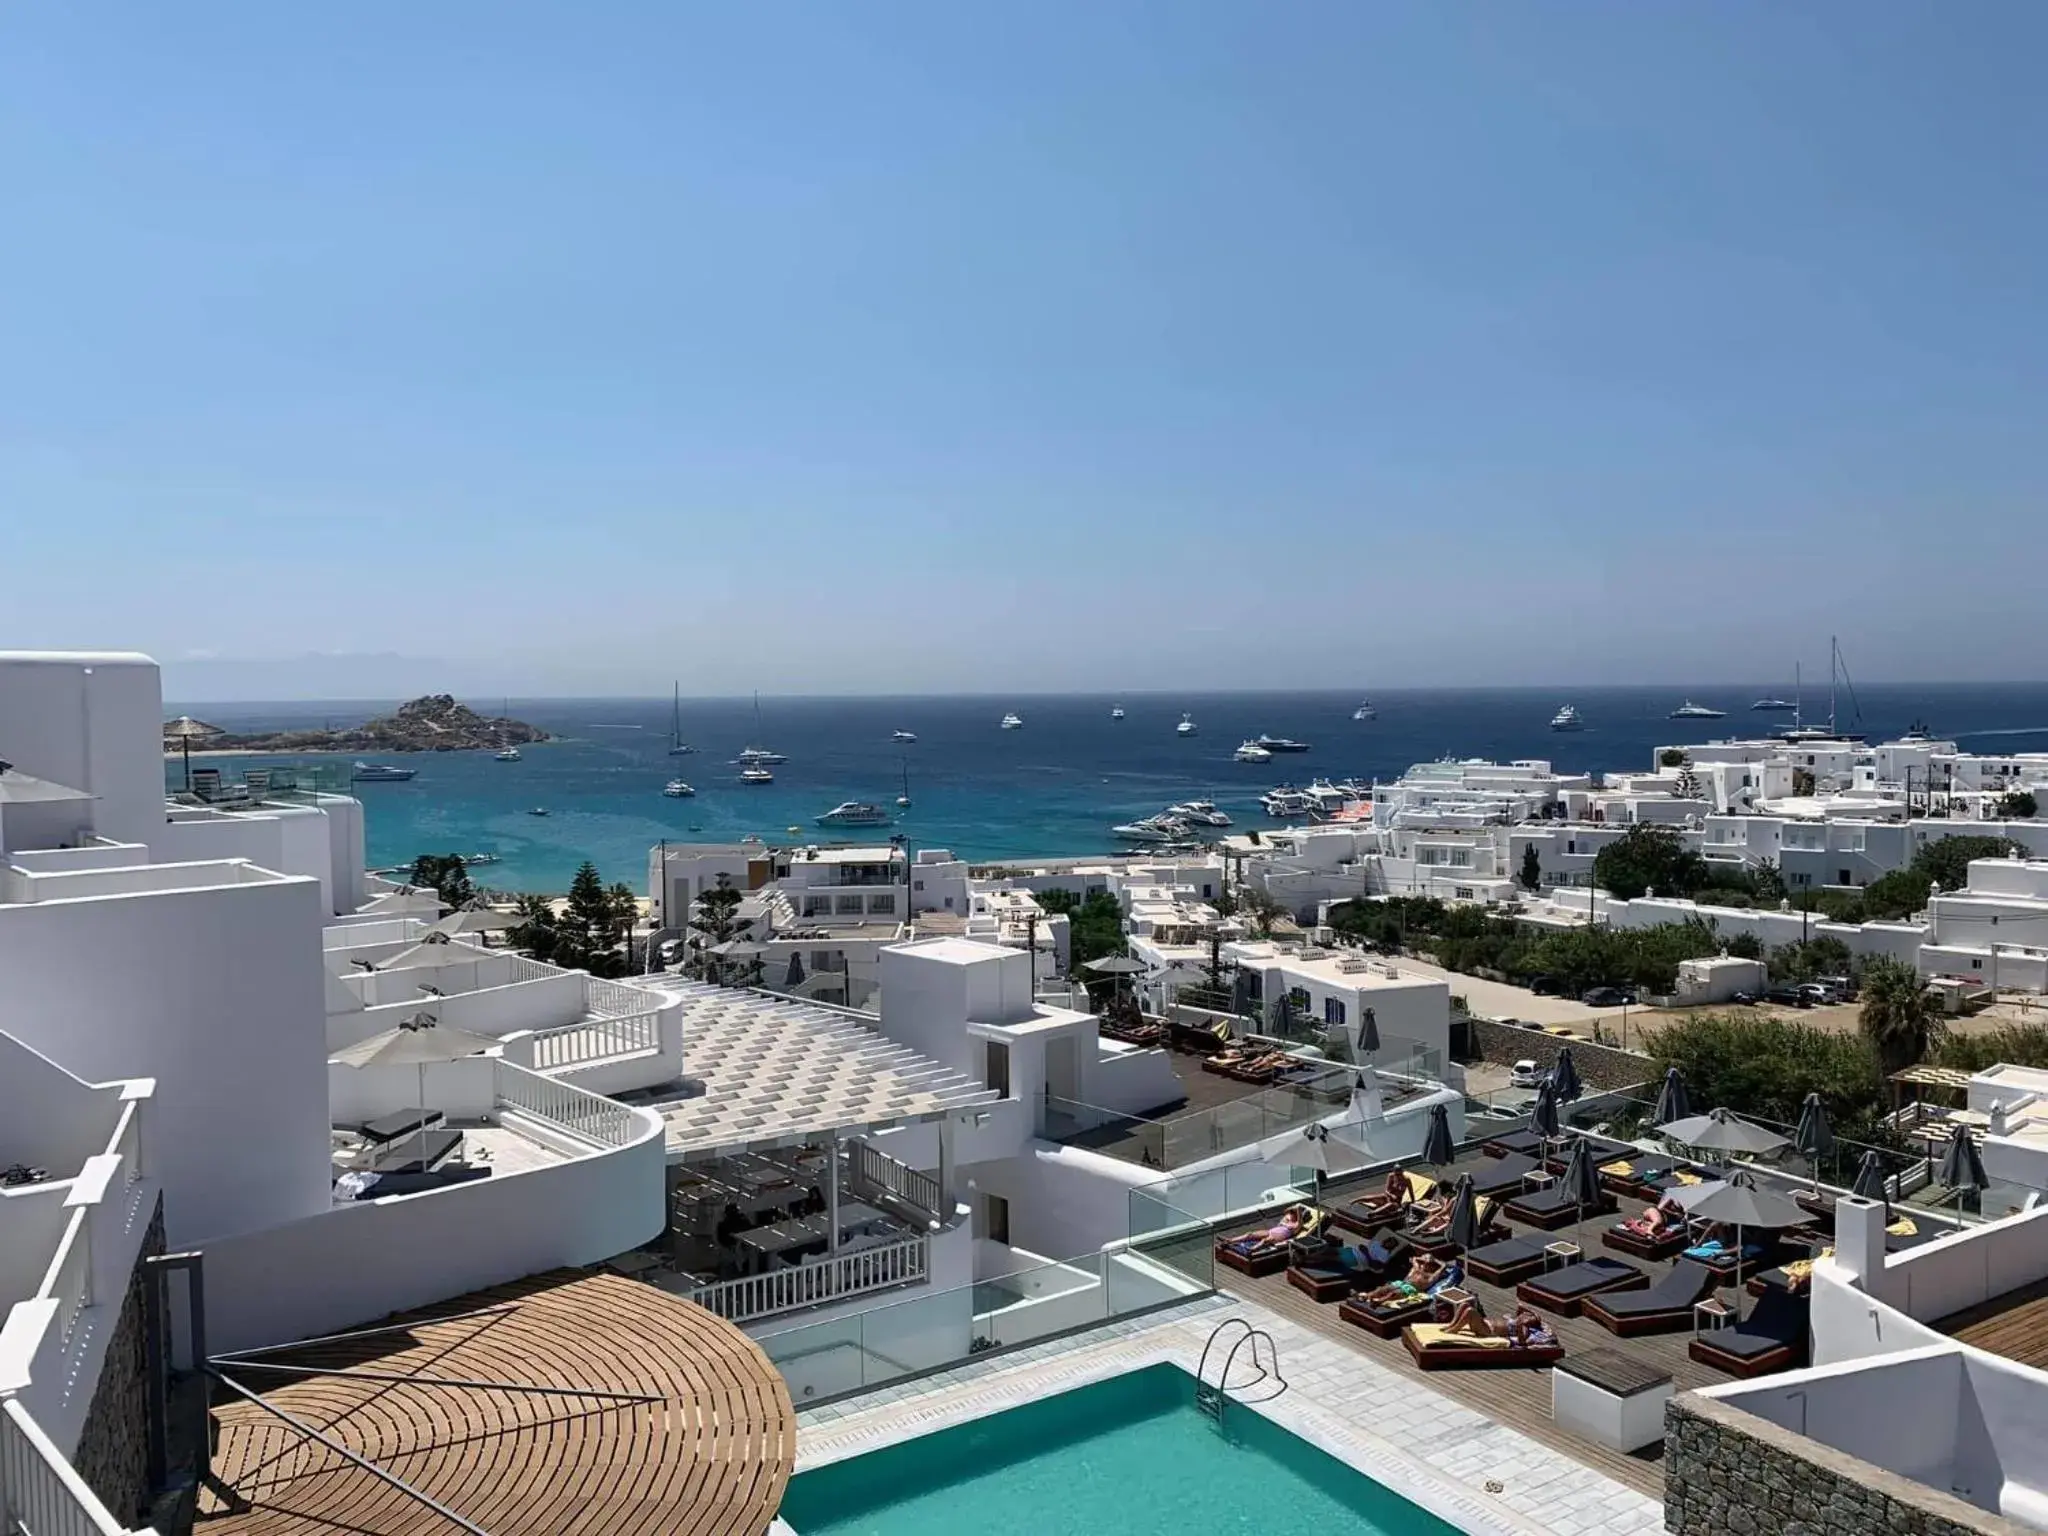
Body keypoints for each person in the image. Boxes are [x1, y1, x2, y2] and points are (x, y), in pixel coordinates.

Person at [1224, 1205, 1311, 1254]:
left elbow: (1299, 1215)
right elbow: (1286, 1211)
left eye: (1293, 1214)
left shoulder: (1297, 1225)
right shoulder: (1287, 1220)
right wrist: (1293, 1208)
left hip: (1279, 1236)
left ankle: (1252, 1249)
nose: (1290, 1214)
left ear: (1296, 1215)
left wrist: (1298, 1209)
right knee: (1250, 1234)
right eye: (1291, 1213)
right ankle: (1231, 1240)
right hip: (1270, 1231)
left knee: (1264, 1241)